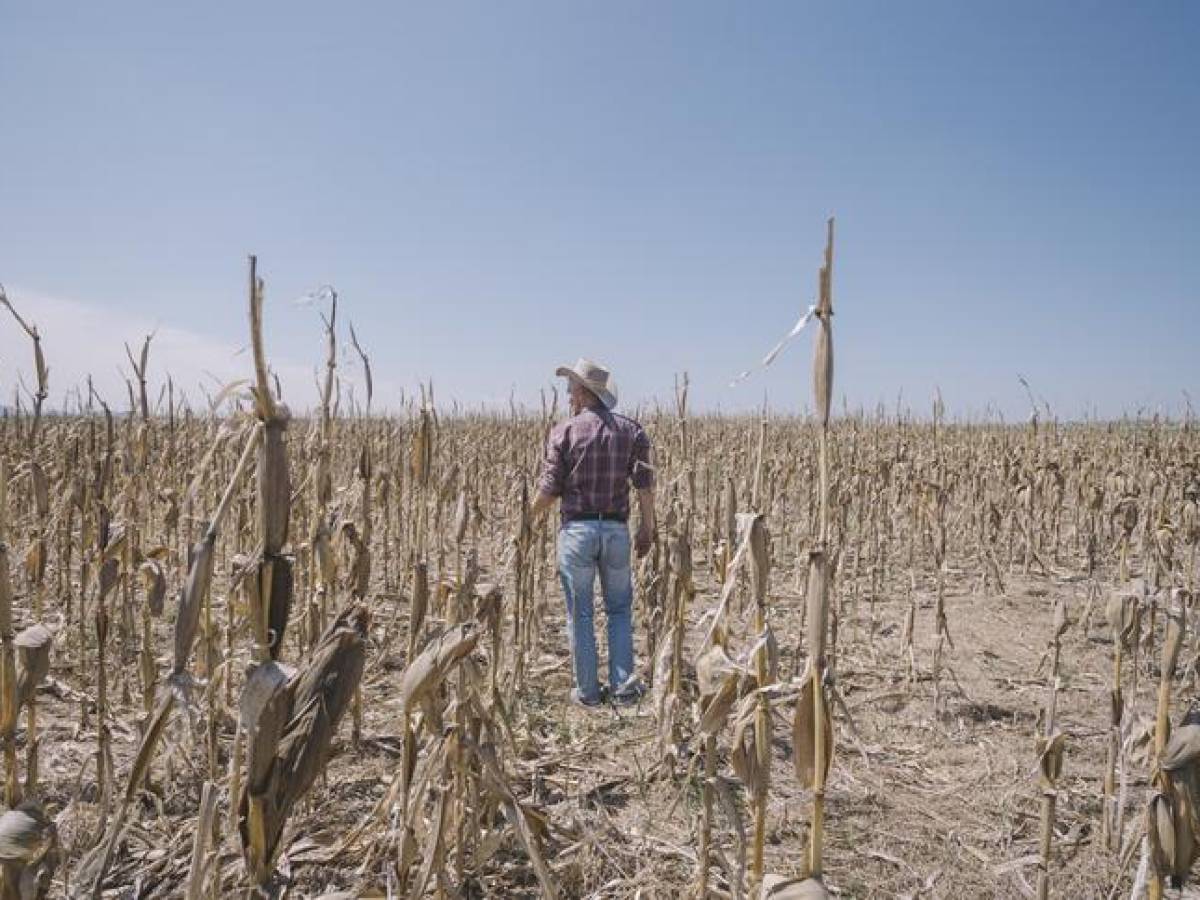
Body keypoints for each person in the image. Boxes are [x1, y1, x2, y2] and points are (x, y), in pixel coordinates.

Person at [530, 358, 656, 706]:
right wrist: (648, 527)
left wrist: (528, 519)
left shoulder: (564, 432)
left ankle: (587, 693)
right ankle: (624, 689)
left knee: (580, 613)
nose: (569, 396)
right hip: (616, 531)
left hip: (578, 533)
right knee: (619, 610)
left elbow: (550, 488)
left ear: (585, 393)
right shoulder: (632, 431)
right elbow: (645, 486)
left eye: (572, 390)